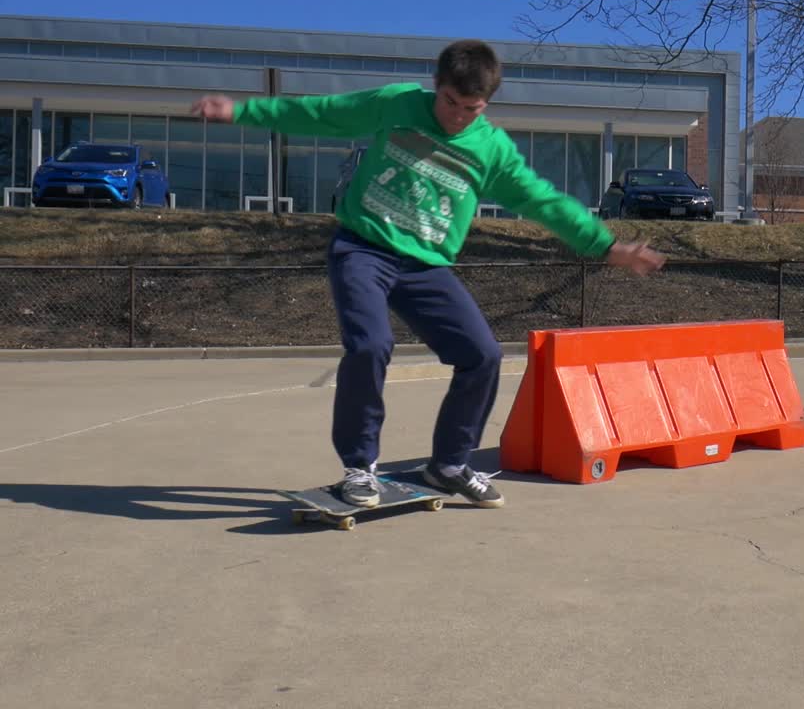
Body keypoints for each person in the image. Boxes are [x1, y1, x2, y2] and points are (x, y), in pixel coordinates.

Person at [190, 40, 665, 509]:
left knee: (481, 355)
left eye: (471, 108)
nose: (456, 116)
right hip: (363, 247)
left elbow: (542, 200)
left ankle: (450, 464)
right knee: (371, 344)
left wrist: (605, 246)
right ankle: (359, 466)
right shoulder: (397, 104)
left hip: (426, 266)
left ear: (487, 104)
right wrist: (241, 112)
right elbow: (322, 113)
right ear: (435, 86)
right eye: (449, 102)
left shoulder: (491, 149)